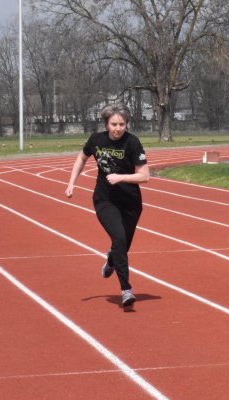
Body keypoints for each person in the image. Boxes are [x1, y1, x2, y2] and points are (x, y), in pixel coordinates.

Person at [65, 104, 150, 308]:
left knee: (122, 246)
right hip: (105, 200)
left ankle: (112, 260)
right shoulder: (97, 140)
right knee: (119, 238)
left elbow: (144, 176)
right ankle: (126, 289)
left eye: (122, 124)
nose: (118, 128)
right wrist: (71, 183)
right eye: (114, 124)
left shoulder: (132, 143)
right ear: (106, 124)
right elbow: (81, 158)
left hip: (131, 202)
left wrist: (121, 177)